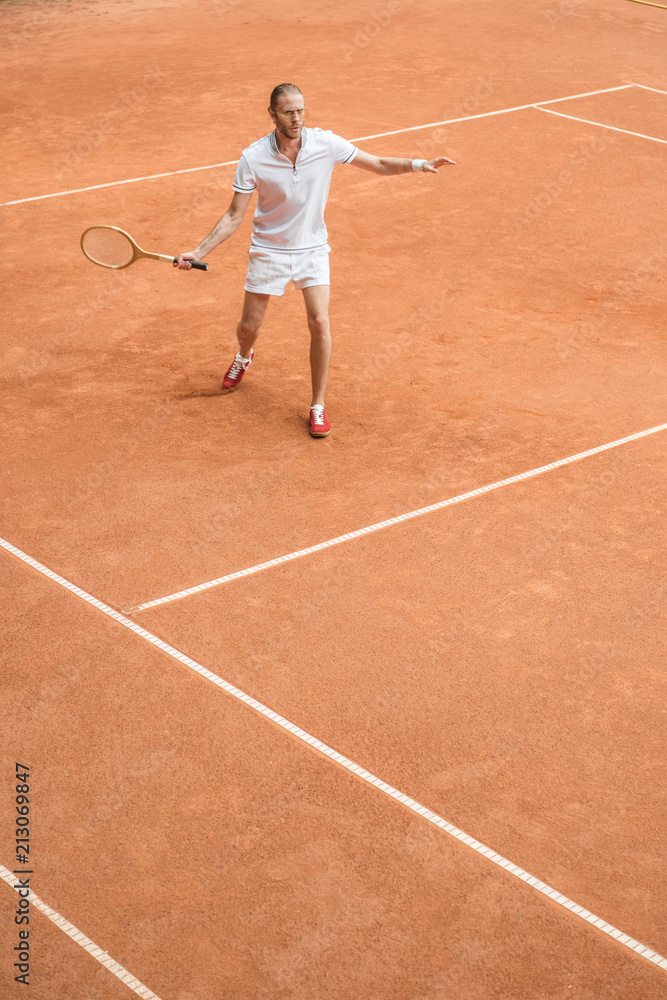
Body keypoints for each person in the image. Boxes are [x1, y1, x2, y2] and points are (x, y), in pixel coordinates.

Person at [175, 83, 455, 438]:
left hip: (311, 250)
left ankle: (317, 405)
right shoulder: (253, 157)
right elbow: (234, 215)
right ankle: (244, 356)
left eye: (301, 110)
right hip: (269, 250)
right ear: (272, 114)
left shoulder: (326, 144)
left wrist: (420, 164)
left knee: (320, 323)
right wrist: (198, 252)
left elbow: (380, 164)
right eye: (289, 112)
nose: (297, 118)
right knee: (249, 327)